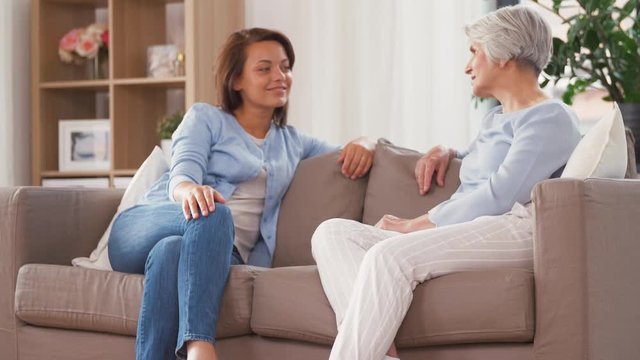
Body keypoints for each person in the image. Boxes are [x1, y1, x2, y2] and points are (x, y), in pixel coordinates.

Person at [311, 5, 582, 360]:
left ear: (504, 54)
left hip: (516, 226)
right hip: (478, 227)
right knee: (332, 233)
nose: (467, 66)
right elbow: (477, 155)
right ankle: (380, 350)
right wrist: (445, 150)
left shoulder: (551, 118)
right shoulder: (497, 119)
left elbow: (501, 193)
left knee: (389, 256)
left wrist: (416, 224)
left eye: (474, 51)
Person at [108, 28, 375, 360]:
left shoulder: (292, 141)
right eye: (265, 68)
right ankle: (199, 346)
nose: (280, 76)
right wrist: (190, 190)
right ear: (236, 80)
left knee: (171, 253)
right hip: (145, 226)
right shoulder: (206, 118)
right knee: (215, 212)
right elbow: (183, 173)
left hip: (216, 251)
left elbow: (348, 150)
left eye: (285, 67)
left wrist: (365, 142)